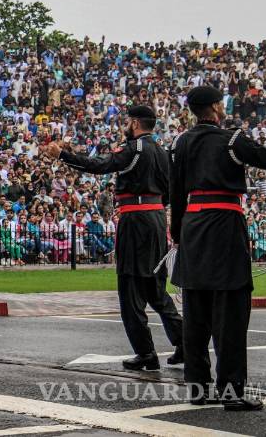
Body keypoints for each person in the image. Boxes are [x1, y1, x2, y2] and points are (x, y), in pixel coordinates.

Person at [169, 84, 266, 410]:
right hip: (224, 223)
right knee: (231, 309)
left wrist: (177, 233)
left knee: (195, 311)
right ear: (215, 108)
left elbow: (174, 193)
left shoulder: (180, 142)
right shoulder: (231, 139)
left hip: (192, 225)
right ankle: (232, 390)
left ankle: (198, 387)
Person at [46, 104, 182, 371]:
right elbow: (170, 191)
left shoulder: (134, 150)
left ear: (134, 124)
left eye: (127, 121)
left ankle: (146, 353)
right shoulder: (162, 153)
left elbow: (101, 165)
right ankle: (184, 342)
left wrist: (63, 154)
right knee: (155, 288)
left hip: (135, 220)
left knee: (130, 288)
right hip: (155, 217)